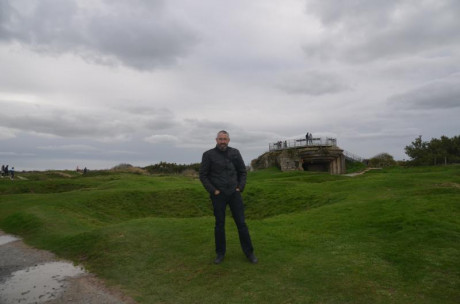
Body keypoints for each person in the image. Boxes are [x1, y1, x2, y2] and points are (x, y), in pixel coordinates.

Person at [199, 130, 258, 264]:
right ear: (216, 140)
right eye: (220, 139)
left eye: (225, 139)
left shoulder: (235, 153)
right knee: (219, 224)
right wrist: (213, 191)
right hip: (218, 195)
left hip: (234, 193)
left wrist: (239, 188)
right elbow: (203, 175)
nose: (223, 141)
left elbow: (242, 172)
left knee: (241, 224)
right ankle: (220, 253)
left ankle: (249, 253)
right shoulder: (208, 155)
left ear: (229, 140)